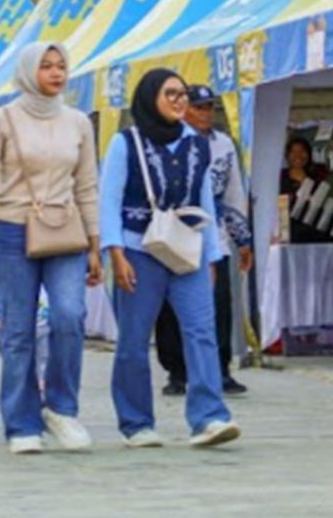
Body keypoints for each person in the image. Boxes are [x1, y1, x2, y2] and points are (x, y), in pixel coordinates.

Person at [0, 42, 101, 455]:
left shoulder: (78, 122)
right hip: (10, 229)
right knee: (19, 329)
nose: (56, 73)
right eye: (46, 66)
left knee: (69, 315)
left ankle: (61, 408)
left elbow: (87, 187)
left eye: (62, 66)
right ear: (27, 71)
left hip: (64, 230)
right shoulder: (1, 120)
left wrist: (96, 244)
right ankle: (21, 423)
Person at [101, 69, 240, 449]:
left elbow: (205, 202)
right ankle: (136, 422)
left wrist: (212, 256)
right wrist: (115, 253)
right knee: (132, 339)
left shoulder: (198, 143)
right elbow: (108, 201)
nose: (180, 101)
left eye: (183, 94)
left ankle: (209, 417)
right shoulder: (125, 142)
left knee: (201, 331)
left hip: (188, 249)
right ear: (150, 98)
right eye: (171, 94)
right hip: (137, 249)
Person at [156, 85, 252, 397]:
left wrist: (243, 238)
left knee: (219, 303)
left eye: (209, 107)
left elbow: (235, 190)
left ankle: (220, 369)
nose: (205, 113)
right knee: (171, 307)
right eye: (199, 107)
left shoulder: (223, 144)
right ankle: (177, 371)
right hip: (174, 234)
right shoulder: (166, 141)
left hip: (216, 235)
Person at [280, 137, 331, 244]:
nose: (298, 155)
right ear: (287, 155)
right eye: (294, 152)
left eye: (302, 151)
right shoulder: (280, 178)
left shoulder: (318, 176)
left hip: (315, 235)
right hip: (289, 235)